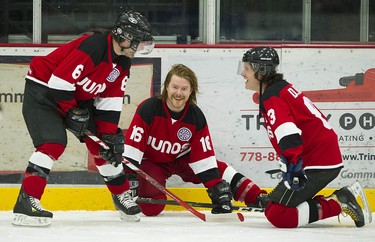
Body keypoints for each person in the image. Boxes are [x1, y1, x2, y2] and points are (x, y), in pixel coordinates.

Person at [12, 10, 154, 226]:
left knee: (105, 147)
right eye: (138, 41)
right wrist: (71, 111)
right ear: (125, 37)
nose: (140, 47)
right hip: (44, 92)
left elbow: (110, 99)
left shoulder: (123, 61)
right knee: (53, 143)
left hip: (75, 98)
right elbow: (59, 82)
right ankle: (26, 201)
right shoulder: (94, 46)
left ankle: (122, 196)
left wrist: (107, 134)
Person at [238, 46, 372, 228]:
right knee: (274, 207)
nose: (242, 73)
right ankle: (338, 200)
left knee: (278, 214)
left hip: (318, 161)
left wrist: (293, 165)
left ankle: (340, 202)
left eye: (246, 68)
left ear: (262, 71)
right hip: (318, 158)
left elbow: (287, 131)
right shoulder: (279, 90)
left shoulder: (272, 95)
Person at [123, 64, 268, 217]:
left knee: (220, 169)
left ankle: (258, 197)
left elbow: (204, 159)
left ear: (191, 91)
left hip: (182, 159)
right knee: (151, 209)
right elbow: (134, 145)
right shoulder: (149, 108)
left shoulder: (195, 117)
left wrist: (216, 187)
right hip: (153, 162)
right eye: (174, 87)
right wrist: (128, 175)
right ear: (166, 87)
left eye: (184, 89)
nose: (178, 93)